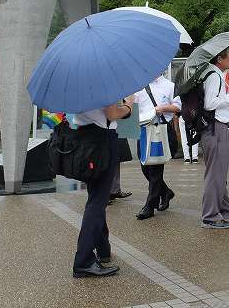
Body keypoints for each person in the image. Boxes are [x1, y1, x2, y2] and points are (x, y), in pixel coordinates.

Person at [72, 98, 132, 278]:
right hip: (102, 140)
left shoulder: (79, 84)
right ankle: (83, 261)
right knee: (98, 201)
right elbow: (112, 114)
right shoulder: (104, 84)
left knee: (96, 195)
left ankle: (103, 248)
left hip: (84, 137)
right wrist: (128, 106)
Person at [201, 48, 229, 229]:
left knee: (219, 172)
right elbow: (210, 103)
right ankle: (210, 216)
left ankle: (225, 209)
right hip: (215, 127)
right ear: (219, 59)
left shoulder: (214, 74)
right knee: (215, 172)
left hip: (216, 127)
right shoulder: (214, 76)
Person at [133, 74, 181, 220]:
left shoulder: (170, 85)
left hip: (160, 131)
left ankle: (150, 206)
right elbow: (133, 106)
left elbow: (178, 106)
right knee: (145, 167)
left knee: (155, 169)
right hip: (143, 130)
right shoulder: (138, 85)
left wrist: (162, 108)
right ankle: (165, 192)